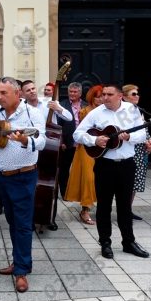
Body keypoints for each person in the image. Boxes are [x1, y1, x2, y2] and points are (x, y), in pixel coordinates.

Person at [0, 76, 45, 293]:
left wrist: (26, 140)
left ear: (17, 93)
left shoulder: (32, 113)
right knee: (11, 221)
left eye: (3, 93)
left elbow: (43, 140)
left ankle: (22, 271)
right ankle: (18, 261)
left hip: (24, 176)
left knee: (24, 225)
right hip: (3, 177)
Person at [73, 84, 149, 259]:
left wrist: (129, 136)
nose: (105, 97)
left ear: (120, 96)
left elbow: (143, 135)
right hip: (104, 165)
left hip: (126, 164)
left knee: (124, 206)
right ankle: (105, 243)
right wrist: (94, 139)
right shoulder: (97, 112)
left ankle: (128, 242)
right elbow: (77, 134)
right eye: (103, 94)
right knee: (104, 206)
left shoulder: (132, 110)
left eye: (109, 94)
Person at [65, 85, 103, 225]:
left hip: (102, 149)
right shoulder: (85, 111)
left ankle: (100, 209)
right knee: (88, 178)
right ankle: (85, 210)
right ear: (92, 98)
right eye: (98, 96)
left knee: (100, 179)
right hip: (86, 149)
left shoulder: (107, 112)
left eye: (102, 96)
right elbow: (82, 132)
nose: (101, 99)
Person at [122, 85, 151, 220]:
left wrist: (150, 141)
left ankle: (128, 210)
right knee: (126, 182)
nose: (137, 96)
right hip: (129, 150)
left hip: (140, 151)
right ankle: (123, 210)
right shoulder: (123, 112)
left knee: (135, 182)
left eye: (137, 94)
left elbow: (144, 130)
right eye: (133, 94)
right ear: (124, 97)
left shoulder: (138, 111)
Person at [57, 82, 88, 199]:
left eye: (75, 92)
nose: (72, 94)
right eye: (70, 91)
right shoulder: (62, 105)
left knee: (81, 170)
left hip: (82, 144)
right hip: (68, 143)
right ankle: (65, 193)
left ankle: (79, 193)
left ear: (80, 93)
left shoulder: (86, 105)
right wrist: (61, 141)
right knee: (64, 169)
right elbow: (58, 125)